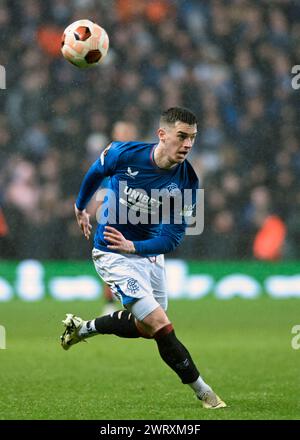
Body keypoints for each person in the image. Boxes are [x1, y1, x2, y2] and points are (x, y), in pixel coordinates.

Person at [60, 107, 226, 409]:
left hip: (146, 254)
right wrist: (80, 206)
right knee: (160, 324)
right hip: (112, 252)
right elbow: (96, 172)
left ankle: (84, 328)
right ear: (162, 135)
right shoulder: (124, 154)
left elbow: (174, 236)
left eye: (193, 138)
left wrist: (137, 248)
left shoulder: (188, 181)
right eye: (182, 137)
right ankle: (206, 394)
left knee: (147, 328)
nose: (188, 145)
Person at [101, 120, 139, 315]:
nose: (124, 135)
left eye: (127, 131)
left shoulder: (141, 158)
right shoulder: (109, 157)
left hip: (137, 217)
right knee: (112, 258)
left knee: (135, 259)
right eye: (120, 132)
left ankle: (137, 300)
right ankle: (110, 302)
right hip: (114, 217)